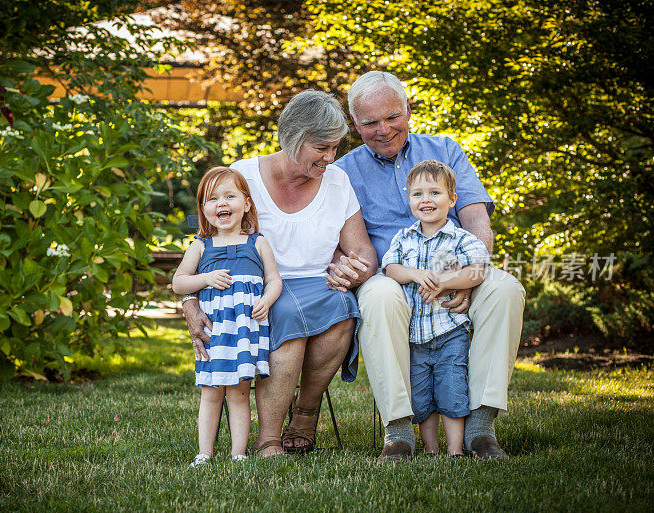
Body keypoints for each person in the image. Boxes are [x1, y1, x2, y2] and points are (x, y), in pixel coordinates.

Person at [334, 71, 525, 462]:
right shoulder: (344, 171)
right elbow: (336, 241)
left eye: (391, 117)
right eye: (369, 122)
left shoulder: (445, 149)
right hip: (393, 275)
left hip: (456, 270)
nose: (383, 130)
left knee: (505, 289)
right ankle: (399, 431)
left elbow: (476, 220)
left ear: (408, 109)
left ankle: (481, 427)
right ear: (354, 124)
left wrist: (468, 278)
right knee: (380, 297)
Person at [182, 90, 378, 457]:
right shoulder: (243, 176)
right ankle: (268, 437)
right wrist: (190, 301)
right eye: (321, 148)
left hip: (319, 283)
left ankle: (304, 413)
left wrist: (356, 269)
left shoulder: (337, 181)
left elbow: (362, 247)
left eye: (335, 147)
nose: (330, 158)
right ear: (292, 139)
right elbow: (204, 242)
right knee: (286, 311)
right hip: (256, 289)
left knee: (343, 310)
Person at [173, 166, 282, 465]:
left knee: (238, 393)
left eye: (230, 196)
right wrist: (205, 279)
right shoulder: (200, 246)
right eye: (212, 198)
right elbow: (179, 282)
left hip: (246, 329)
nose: (221, 203)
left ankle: (238, 454)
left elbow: (274, 280)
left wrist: (268, 300)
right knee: (211, 392)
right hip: (216, 330)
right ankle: (204, 453)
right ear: (204, 209)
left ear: (246, 203)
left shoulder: (257, 242)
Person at [382, 160, 490, 456]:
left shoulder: (461, 239)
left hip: (449, 331)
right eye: (417, 194)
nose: (426, 200)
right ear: (409, 200)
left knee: (452, 390)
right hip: (415, 336)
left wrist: (445, 280)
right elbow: (390, 268)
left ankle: (455, 451)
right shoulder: (403, 238)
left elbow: (478, 270)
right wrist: (414, 274)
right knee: (421, 398)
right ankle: (430, 449)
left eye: (435, 193)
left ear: (452, 199)